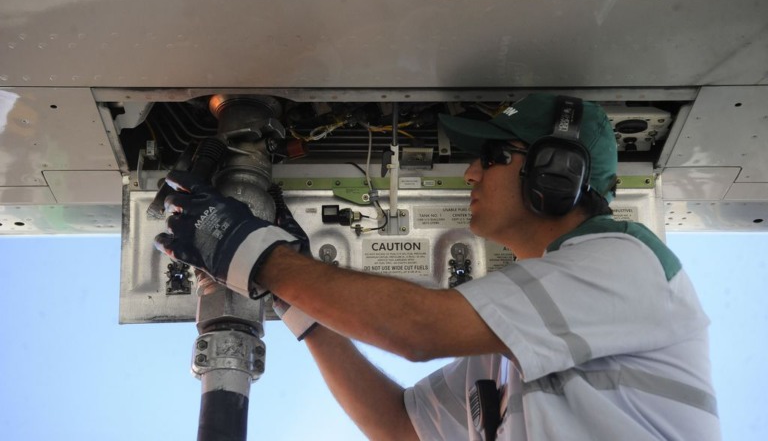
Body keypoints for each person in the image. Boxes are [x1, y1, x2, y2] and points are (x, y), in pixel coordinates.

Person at [155, 93, 720, 441]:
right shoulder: (506, 347)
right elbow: (400, 426)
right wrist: (293, 294)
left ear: (558, 172)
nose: (471, 174)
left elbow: (418, 331)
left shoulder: (628, 263)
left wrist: (256, 253)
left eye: (494, 157)